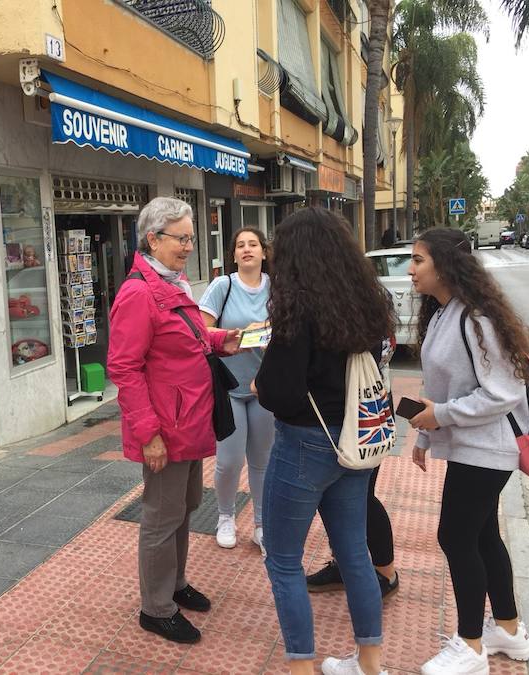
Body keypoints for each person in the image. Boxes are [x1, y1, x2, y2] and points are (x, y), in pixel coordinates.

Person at [254, 207, 394, 675]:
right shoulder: (366, 303)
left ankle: (301, 667)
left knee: (283, 560)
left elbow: (280, 392)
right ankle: (370, 663)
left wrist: (261, 384)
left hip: (304, 445)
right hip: (355, 441)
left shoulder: (298, 309)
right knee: (354, 553)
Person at [107, 196, 241, 644]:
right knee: (161, 517)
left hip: (189, 421)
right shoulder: (138, 293)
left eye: (190, 238)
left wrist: (221, 341)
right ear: (153, 239)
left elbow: (188, 338)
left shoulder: (172, 282)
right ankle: (156, 608)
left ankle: (175, 584)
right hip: (166, 427)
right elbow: (124, 368)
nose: (189, 246)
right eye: (181, 239)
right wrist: (149, 435)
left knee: (184, 508)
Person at [408, 228, 529, 675]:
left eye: (418, 260)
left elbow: (503, 392)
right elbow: (440, 389)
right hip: (470, 447)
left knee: (455, 538)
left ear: (445, 265)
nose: (410, 269)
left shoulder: (477, 319)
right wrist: (426, 434)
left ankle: (471, 647)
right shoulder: (444, 313)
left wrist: (440, 417)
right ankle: (509, 631)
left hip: (487, 449)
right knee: (482, 537)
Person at [198, 227, 274, 555]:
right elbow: (201, 331)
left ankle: (261, 524)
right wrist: (240, 334)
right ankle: (225, 517)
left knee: (262, 461)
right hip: (228, 387)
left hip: (265, 387)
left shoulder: (277, 288)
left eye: (253, 244)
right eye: (240, 245)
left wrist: (269, 332)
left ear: (264, 252)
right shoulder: (223, 286)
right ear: (233, 255)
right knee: (229, 461)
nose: (247, 249)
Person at [305, 336, 399, 599]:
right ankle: (342, 564)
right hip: (349, 405)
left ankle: (386, 574)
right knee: (335, 499)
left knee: (363, 497)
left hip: (364, 406)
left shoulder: (365, 311)